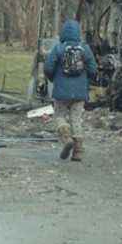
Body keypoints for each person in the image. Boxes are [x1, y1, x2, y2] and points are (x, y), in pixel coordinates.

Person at [43, 20, 97, 162]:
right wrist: (86, 81)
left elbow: (48, 68)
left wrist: (53, 78)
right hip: (80, 92)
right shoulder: (85, 49)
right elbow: (93, 70)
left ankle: (66, 138)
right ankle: (78, 152)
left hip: (61, 90)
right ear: (78, 33)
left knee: (59, 115)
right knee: (76, 119)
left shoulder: (58, 48)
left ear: (63, 33)